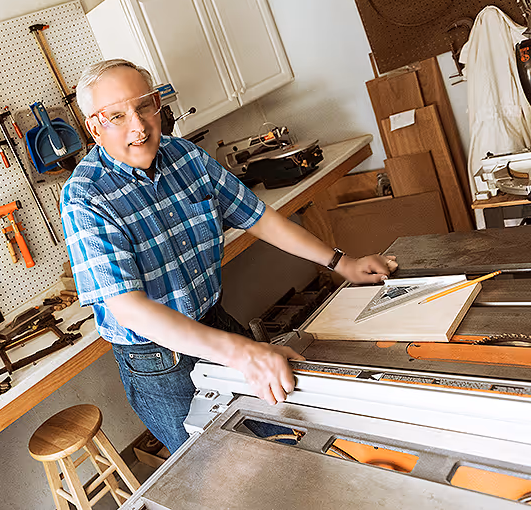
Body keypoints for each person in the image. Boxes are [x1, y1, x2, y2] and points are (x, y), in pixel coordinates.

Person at [60, 59, 398, 453]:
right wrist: (243, 352)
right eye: (117, 116)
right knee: (222, 471)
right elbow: (131, 311)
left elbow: (260, 219)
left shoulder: (185, 156)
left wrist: (343, 263)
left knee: (288, 440)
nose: (138, 127)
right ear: (94, 127)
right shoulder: (85, 197)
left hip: (214, 323)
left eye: (145, 106)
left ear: (157, 104)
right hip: (159, 363)